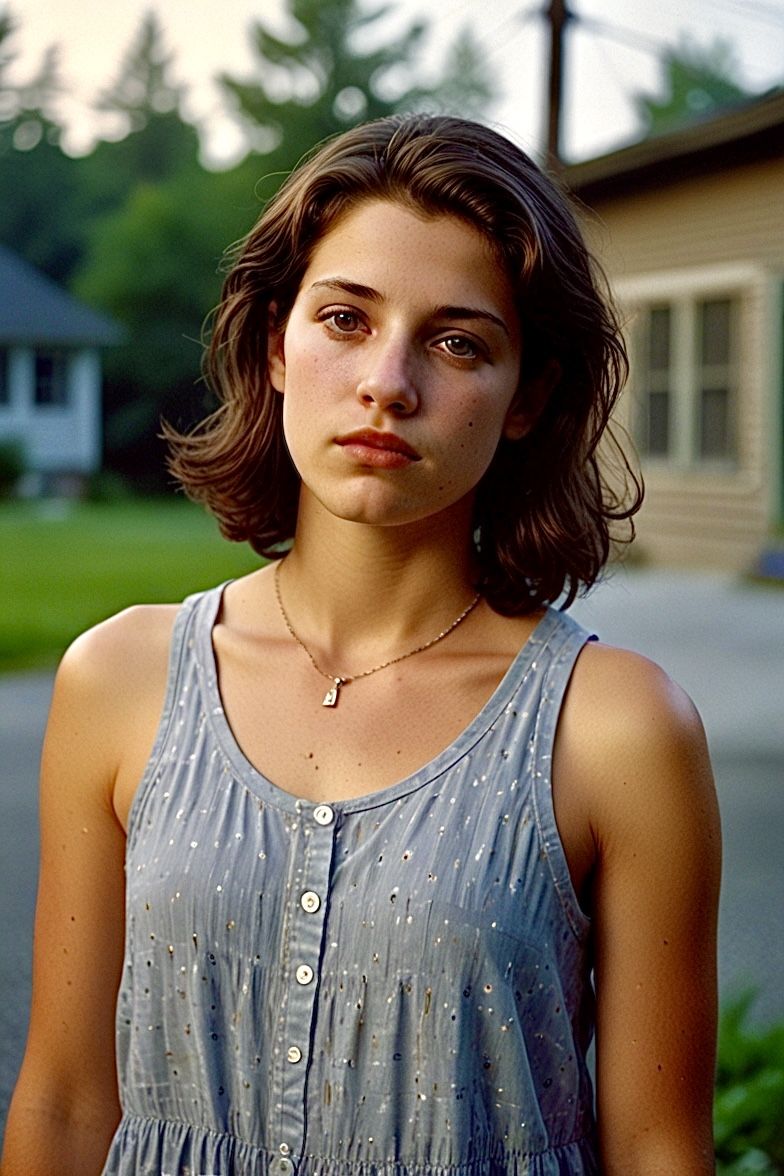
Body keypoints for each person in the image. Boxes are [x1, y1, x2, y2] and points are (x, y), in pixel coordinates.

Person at [2, 114, 721, 1176]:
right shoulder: (120, 680)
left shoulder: (615, 730)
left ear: (527, 397)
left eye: (455, 340)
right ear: (275, 346)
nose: (389, 380)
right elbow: (64, 1104)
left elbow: (658, 1148)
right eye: (345, 318)